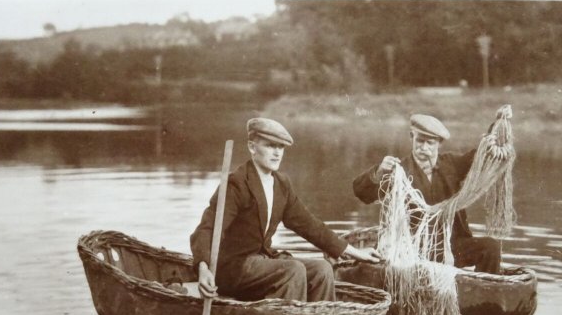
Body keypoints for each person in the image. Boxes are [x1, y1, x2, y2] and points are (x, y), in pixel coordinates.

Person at [191, 117, 381, 302]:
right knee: (293, 269)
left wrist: (356, 252)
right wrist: (203, 267)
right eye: (270, 146)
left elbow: (311, 226)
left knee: (322, 269)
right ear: (252, 147)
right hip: (233, 269)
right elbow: (207, 228)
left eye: (280, 147)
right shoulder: (236, 184)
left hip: (263, 263)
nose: (277, 153)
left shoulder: (281, 185)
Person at [352, 113, 501, 274]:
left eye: (430, 143)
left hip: (451, 246)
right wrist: (380, 171)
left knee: (490, 247)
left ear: (439, 144)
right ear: (411, 137)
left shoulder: (452, 164)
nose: (424, 148)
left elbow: (479, 157)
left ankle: (484, 293)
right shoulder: (399, 170)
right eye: (419, 141)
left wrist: (496, 130)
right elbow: (362, 193)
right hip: (413, 248)